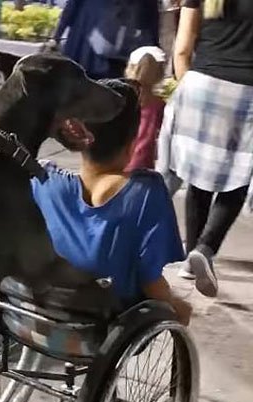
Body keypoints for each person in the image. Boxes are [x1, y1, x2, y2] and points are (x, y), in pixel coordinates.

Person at [31, 79, 193, 328]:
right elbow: (151, 281)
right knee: (180, 309)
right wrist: (178, 306)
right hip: (104, 324)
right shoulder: (144, 191)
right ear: (133, 142)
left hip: (37, 316)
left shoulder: (42, 180)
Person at [157, 0, 253, 297]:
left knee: (196, 174)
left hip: (199, 85)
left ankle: (190, 258)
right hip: (246, 90)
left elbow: (182, 48)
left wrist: (190, 88)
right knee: (237, 177)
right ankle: (205, 247)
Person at [50, 0, 160, 80]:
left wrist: (56, 36)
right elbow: (151, 20)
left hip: (84, 51)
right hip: (122, 58)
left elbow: (72, 7)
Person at [124, 45, 167, 172]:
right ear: (159, 73)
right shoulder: (159, 104)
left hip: (117, 159)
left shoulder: (119, 98)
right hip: (143, 161)